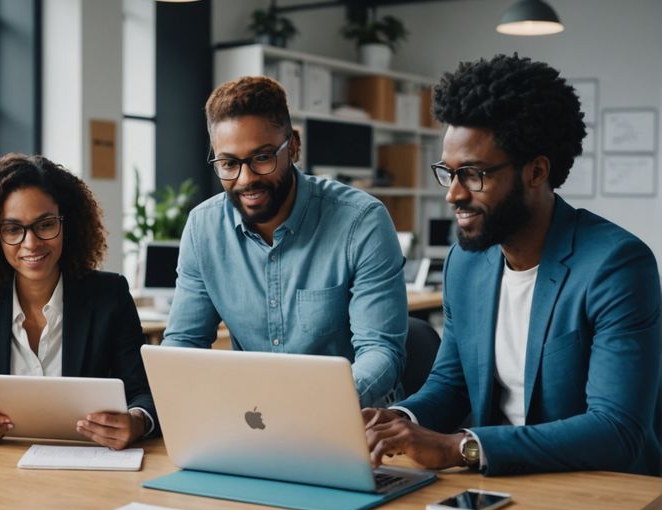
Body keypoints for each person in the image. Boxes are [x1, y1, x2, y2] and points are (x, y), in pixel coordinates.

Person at [363, 54, 661, 476]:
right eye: (448, 173)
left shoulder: (616, 265)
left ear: (536, 171)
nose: (453, 194)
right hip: (504, 484)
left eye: (473, 174)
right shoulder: (465, 262)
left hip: (600, 487)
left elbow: (616, 430)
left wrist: (461, 448)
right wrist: (397, 421)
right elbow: (452, 385)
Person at [161, 76, 407, 407]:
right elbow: (184, 343)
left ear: (292, 146)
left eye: (262, 158)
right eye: (229, 164)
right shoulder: (203, 228)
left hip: (354, 418)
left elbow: (380, 350)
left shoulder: (360, 221)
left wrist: (316, 406)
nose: (246, 179)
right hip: (255, 420)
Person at [0, 153, 157, 450]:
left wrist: (137, 421)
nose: (31, 243)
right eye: (13, 229)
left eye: (45, 225)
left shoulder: (108, 295)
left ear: (67, 224)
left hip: (89, 461)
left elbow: (144, 390)